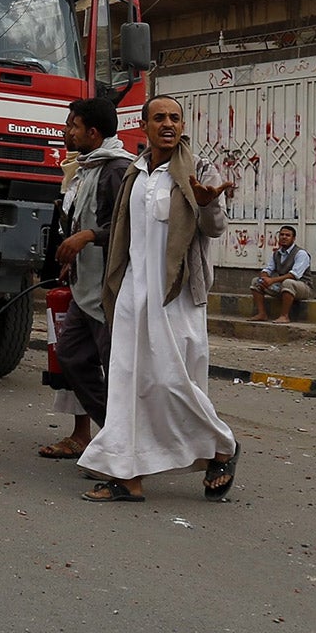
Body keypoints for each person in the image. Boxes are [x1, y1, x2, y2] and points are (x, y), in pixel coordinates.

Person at [79, 96, 240, 503]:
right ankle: (127, 476)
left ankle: (221, 445)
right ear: (145, 126)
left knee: (171, 380)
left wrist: (208, 205)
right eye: (159, 118)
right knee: (129, 381)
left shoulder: (199, 169)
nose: (168, 123)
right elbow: (123, 234)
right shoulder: (135, 172)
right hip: (134, 290)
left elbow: (215, 228)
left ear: (183, 125)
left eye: (175, 117)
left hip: (177, 295)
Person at [39, 96, 133, 460]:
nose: (67, 131)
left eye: (73, 126)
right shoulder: (87, 167)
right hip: (83, 287)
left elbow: (126, 228)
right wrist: (71, 255)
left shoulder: (116, 170)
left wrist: (88, 236)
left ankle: (124, 445)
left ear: (92, 133)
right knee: (72, 356)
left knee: (116, 371)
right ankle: (115, 431)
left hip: (110, 292)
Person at [250, 227, 312, 322]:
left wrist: (272, 280)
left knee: (288, 282)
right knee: (256, 281)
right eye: (282, 235)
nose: (284, 237)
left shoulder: (301, 254)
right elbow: (268, 269)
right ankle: (262, 314)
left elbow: (294, 275)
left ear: (293, 238)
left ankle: (284, 316)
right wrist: (264, 277)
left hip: (302, 287)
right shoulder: (276, 253)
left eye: (287, 235)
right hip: (282, 286)